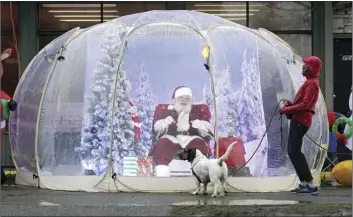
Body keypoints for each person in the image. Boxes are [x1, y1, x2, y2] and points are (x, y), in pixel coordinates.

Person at [279, 56, 322, 195]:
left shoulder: (312, 83)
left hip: (301, 121)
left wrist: (285, 110)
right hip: (299, 120)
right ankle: (304, 183)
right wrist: (291, 104)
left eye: (306, 65)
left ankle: (310, 184)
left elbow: (305, 105)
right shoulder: (310, 82)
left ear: (312, 68)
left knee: (295, 152)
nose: (303, 67)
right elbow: (304, 103)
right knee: (293, 151)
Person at [149, 86, 213, 177]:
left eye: (187, 98)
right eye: (181, 98)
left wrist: (199, 124)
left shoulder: (196, 113)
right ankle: (163, 171)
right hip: (172, 139)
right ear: (174, 100)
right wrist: (165, 123)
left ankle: (198, 171)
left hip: (190, 139)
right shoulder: (167, 112)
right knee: (163, 144)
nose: (184, 100)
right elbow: (156, 129)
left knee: (199, 144)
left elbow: (209, 130)